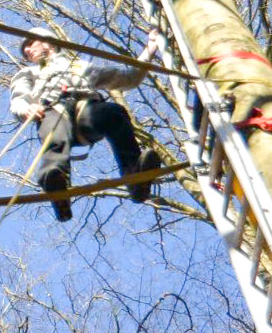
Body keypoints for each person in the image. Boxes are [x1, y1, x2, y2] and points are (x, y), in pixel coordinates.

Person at [9, 27, 163, 221]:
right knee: (54, 128)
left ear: (47, 41)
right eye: (25, 49)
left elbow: (128, 77)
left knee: (114, 113)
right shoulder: (29, 73)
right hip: (53, 111)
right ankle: (57, 182)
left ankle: (134, 174)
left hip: (85, 111)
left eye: (30, 43)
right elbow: (19, 97)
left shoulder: (80, 66)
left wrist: (150, 49)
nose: (27, 51)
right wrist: (25, 109)